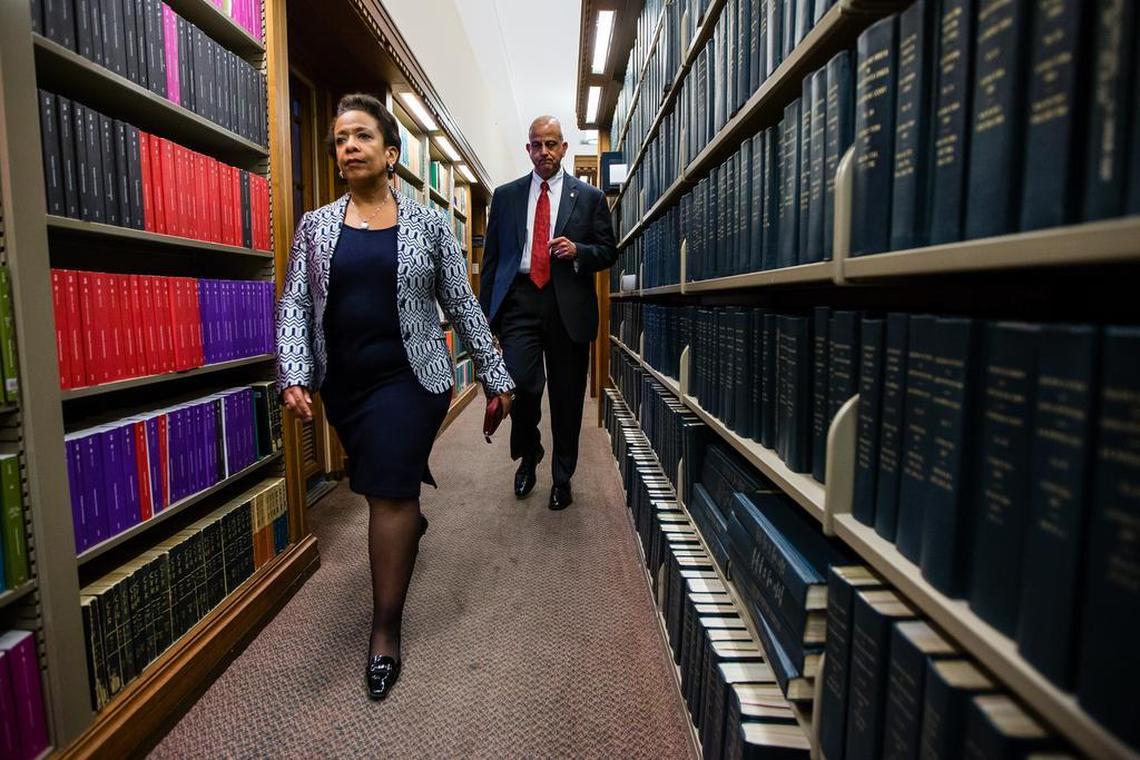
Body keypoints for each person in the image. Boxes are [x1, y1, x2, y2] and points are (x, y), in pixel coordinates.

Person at [276, 93, 514, 701]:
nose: (348, 147)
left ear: (390, 151)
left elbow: (461, 303)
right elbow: (297, 304)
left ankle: (385, 631)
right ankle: (407, 518)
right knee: (378, 477)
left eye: (360, 135)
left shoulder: (430, 224)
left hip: (412, 379)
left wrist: (495, 374)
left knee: (388, 490)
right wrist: (296, 372)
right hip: (346, 385)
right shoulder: (317, 225)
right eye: (339, 139)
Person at [479, 116, 618, 511]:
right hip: (520, 302)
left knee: (566, 397)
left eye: (552, 144)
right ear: (528, 150)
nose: (545, 152)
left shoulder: (589, 197)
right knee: (520, 387)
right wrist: (486, 324)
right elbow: (491, 263)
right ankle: (529, 453)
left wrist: (579, 251)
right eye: (537, 145)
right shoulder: (505, 197)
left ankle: (562, 477)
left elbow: (608, 252)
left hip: (567, 304)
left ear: (564, 149)